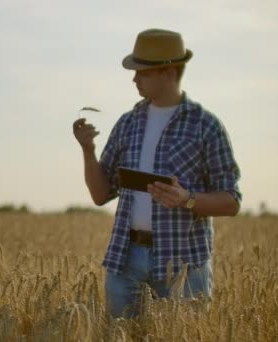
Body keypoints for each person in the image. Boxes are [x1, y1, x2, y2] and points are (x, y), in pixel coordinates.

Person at [72, 28, 242, 318]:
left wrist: (187, 199)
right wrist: (88, 150)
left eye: (143, 72)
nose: (134, 78)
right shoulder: (127, 124)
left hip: (184, 263)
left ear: (169, 71)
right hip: (126, 258)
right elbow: (100, 195)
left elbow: (231, 201)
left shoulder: (206, 126)